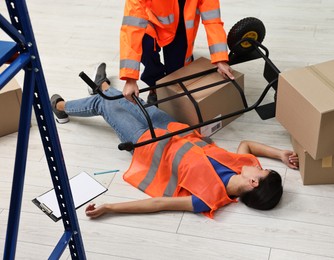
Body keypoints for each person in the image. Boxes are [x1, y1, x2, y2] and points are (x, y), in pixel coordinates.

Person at [50, 64, 298, 219]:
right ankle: (102, 86)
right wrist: (279, 154)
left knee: (105, 104)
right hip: (171, 128)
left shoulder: (208, 199)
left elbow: (159, 204)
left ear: (253, 182)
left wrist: (109, 208)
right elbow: (248, 143)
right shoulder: (241, 164)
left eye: (262, 169)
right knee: (132, 101)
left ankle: (61, 107)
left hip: (146, 143)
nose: (259, 164)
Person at [120, 0, 235, 103]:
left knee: (176, 76)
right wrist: (130, 79)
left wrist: (220, 59)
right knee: (144, 45)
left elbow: (212, 20)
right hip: (152, 21)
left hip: (182, 25)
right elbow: (131, 27)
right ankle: (155, 87)